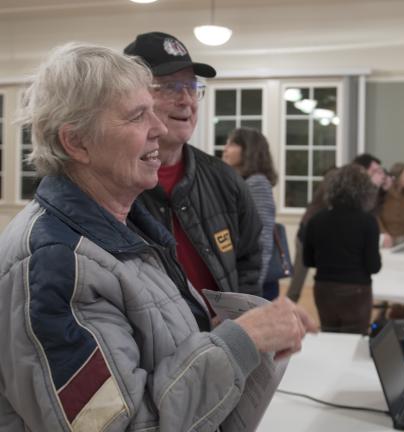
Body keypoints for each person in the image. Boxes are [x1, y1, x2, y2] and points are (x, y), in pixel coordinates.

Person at [0, 42, 317, 431]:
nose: (160, 128)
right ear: (77, 142)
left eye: (153, 109)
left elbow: (160, 357)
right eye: (137, 116)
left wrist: (231, 329)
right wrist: (239, 341)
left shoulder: (123, 229)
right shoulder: (55, 264)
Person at [124, 32, 263, 303]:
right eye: (170, 87)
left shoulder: (224, 179)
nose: (187, 100)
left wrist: (241, 319)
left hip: (226, 341)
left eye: (192, 87)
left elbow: (250, 260)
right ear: (132, 97)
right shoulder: (114, 184)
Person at [303, 164, 381, 334]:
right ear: (365, 191)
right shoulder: (368, 222)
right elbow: (373, 266)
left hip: (324, 289)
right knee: (354, 343)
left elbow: (308, 260)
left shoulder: (317, 219)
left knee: (330, 339)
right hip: (356, 291)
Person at [223, 127, 280, 300]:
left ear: (248, 151)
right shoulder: (242, 182)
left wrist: (250, 292)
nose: (225, 149)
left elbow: (262, 241)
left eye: (232, 144)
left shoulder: (257, 184)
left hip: (255, 286)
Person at [285, 167, 338, 303]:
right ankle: (286, 310)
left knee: (300, 278)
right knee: (298, 279)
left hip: (310, 235)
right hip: (307, 236)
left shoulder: (323, 198)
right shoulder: (324, 199)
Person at [378, 162, 404, 248]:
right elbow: (376, 215)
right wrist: (384, 233)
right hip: (386, 237)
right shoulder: (383, 192)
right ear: (397, 176)